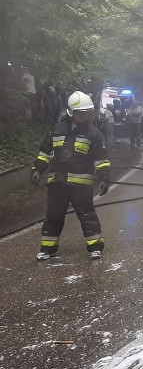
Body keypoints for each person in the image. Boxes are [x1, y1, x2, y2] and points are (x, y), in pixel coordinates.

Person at [31, 91, 110, 261]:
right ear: (71, 112)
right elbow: (46, 153)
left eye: (88, 112)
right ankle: (48, 249)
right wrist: (37, 169)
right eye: (81, 113)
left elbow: (101, 160)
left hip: (81, 186)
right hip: (57, 184)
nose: (85, 116)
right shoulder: (57, 130)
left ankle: (95, 247)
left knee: (87, 215)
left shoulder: (94, 134)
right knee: (54, 216)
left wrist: (104, 179)